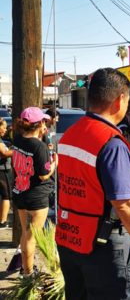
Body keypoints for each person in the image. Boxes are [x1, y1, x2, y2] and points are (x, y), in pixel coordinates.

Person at [56, 68, 130, 299]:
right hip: (103, 247)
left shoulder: (70, 134)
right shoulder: (111, 143)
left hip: (69, 239)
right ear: (119, 101)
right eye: (128, 100)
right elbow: (125, 205)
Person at [12, 107, 57, 277]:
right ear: (39, 124)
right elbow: (44, 175)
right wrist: (55, 163)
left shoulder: (17, 139)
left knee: (25, 234)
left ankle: (26, 269)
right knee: (32, 238)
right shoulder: (40, 147)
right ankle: (28, 274)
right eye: (44, 121)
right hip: (36, 196)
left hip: (20, 191)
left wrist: (40, 136)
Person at [0, 118, 13, 229]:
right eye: (3, 127)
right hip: (1, 171)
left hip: (3, 169)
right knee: (6, 195)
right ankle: (3, 222)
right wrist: (15, 150)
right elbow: (3, 153)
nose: (5, 129)